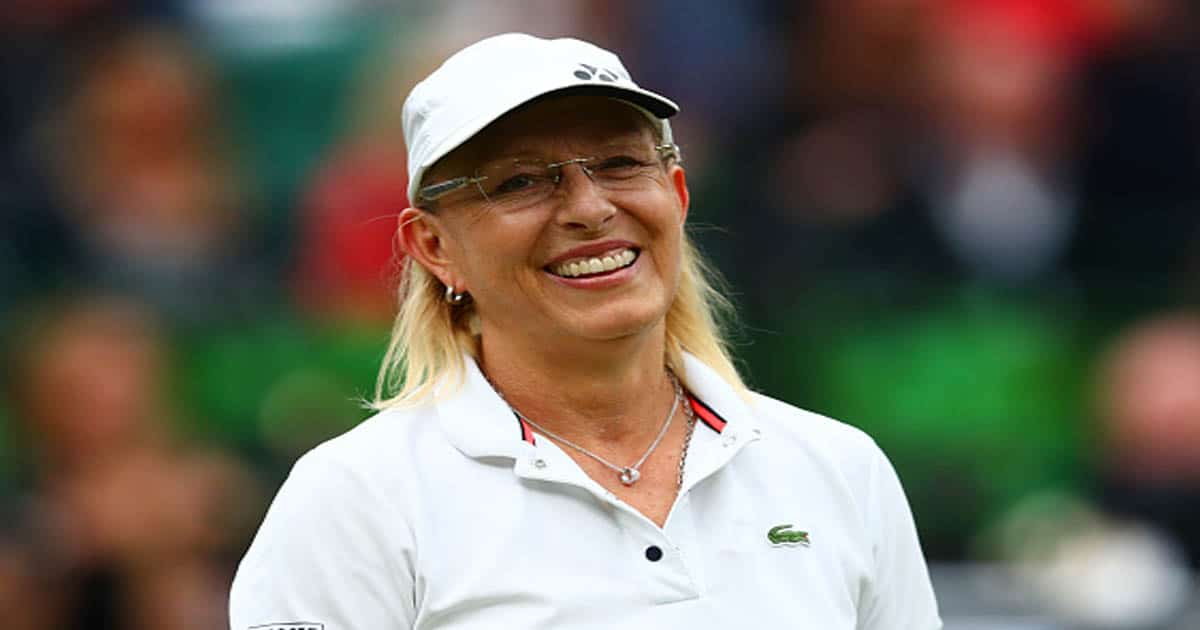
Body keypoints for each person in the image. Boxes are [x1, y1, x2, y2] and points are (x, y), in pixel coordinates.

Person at [229, 33, 942, 629]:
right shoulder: (355, 500)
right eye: (518, 182)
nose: (589, 207)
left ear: (678, 194)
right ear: (434, 248)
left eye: (621, 164)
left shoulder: (840, 470)